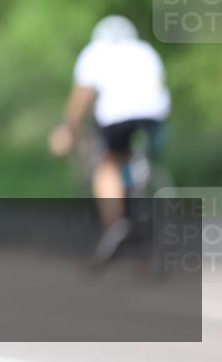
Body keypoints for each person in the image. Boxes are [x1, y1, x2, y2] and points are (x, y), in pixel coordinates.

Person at [49, 15, 171, 262]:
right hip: (155, 116)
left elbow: (83, 95)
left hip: (116, 116)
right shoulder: (145, 51)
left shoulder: (95, 52)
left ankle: (115, 225)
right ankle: (142, 177)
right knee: (133, 153)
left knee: (107, 164)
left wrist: (68, 127)